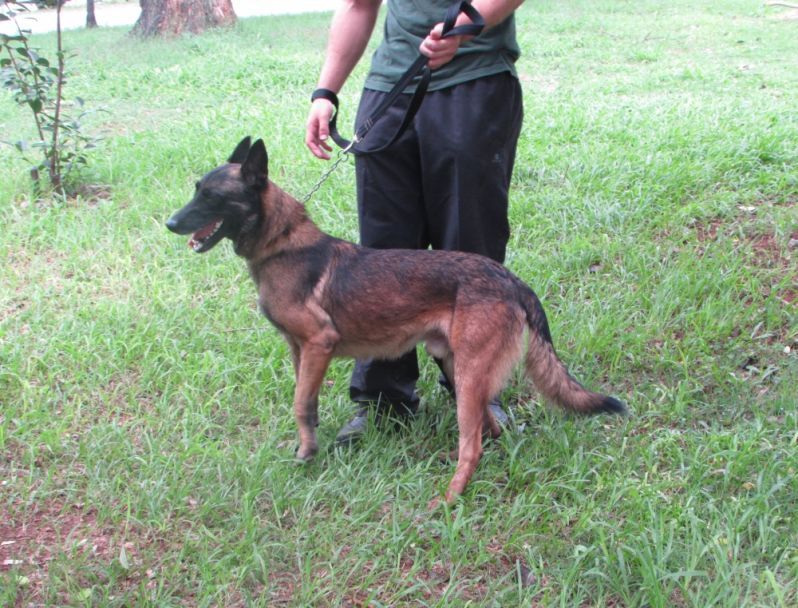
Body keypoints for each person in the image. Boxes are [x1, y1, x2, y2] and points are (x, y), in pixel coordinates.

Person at [305, 0, 525, 444]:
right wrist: (325, 92)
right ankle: (384, 400)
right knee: (381, 256)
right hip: (391, 87)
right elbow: (357, 5)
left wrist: (462, 30)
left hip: (474, 80)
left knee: (469, 245)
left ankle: (477, 391)